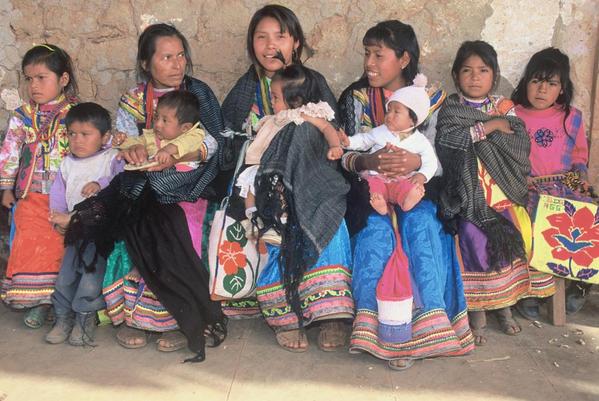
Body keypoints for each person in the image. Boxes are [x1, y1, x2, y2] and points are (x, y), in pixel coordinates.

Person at [338, 20, 473, 371]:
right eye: (366, 53)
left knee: (422, 226)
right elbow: (344, 155)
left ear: (403, 59)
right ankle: (379, 332)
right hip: (369, 190)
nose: (369, 62)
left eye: (378, 55)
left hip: (418, 189)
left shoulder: (433, 101)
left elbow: (441, 161)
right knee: (377, 234)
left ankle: (428, 328)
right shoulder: (356, 98)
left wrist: (416, 164)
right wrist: (368, 161)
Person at [221, 4, 352, 352]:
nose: (270, 45)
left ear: (295, 42)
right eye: (261, 37)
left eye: (280, 36)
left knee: (330, 212)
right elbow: (228, 142)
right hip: (263, 181)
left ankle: (330, 314)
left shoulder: (312, 82)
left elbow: (330, 130)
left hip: (312, 175)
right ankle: (284, 314)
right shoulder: (244, 90)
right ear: (251, 44)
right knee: (271, 224)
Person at [103, 23, 227, 354]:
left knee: (183, 226)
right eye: (167, 57)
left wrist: (180, 155)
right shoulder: (133, 99)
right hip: (142, 184)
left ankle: (178, 320)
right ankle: (136, 318)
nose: (177, 64)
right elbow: (125, 142)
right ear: (146, 63)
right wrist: (131, 150)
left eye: (181, 55)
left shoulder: (198, 94)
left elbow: (215, 141)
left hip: (189, 183)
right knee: (130, 226)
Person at [436, 40, 536, 346]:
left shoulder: (504, 106)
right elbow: (448, 142)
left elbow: (520, 143)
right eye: (467, 70)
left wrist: (481, 132)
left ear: (494, 75)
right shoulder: (452, 108)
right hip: (468, 194)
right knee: (473, 244)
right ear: (456, 75)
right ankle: (477, 312)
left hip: (502, 193)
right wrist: (490, 127)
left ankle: (505, 308)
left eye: (483, 70)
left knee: (507, 246)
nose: (475, 77)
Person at [512, 48, 596, 318]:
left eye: (551, 83)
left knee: (589, 214)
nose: (542, 89)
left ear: (561, 89)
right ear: (525, 83)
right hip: (529, 183)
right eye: (536, 81)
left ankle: (579, 285)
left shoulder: (571, 116)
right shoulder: (513, 114)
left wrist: (581, 181)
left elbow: (579, 158)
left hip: (565, 179)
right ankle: (531, 289)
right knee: (533, 219)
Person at [0, 44, 78, 329]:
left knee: (58, 245)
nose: (34, 85)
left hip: (64, 197)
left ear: (63, 79)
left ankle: (56, 301)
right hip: (30, 194)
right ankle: (38, 302)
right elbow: (9, 153)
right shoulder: (21, 116)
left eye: (42, 78)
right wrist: (7, 189)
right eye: (29, 78)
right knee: (28, 240)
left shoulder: (76, 114)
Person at [45, 102, 123, 345]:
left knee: (90, 277)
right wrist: (58, 217)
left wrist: (100, 184)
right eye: (72, 134)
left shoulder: (112, 157)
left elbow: (120, 180)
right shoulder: (67, 164)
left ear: (105, 137)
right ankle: (63, 317)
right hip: (74, 230)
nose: (77, 140)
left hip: (99, 232)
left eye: (85, 134)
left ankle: (84, 318)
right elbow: (58, 193)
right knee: (66, 276)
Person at [236, 64, 342, 226]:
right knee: (251, 186)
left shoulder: (302, 114)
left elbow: (326, 127)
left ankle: (282, 218)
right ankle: (253, 217)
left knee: (280, 192)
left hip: (284, 167)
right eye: (271, 97)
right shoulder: (276, 118)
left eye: (276, 98)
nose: (271, 102)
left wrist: (335, 146)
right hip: (262, 164)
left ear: (295, 100)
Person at [338, 74, 436, 214]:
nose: (389, 115)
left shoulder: (420, 141)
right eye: (388, 110)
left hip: (402, 179)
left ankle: (406, 201)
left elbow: (431, 161)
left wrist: (422, 176)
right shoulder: (380, 131)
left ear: (413, 120)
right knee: (372, 185)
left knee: (408, 186)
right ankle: (380, 203)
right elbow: (364, 140)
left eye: (396, 112)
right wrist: (348, 142)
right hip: (378, 177)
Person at [119, 90, 206, 171]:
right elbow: (135, 143)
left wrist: (167, 150)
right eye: (156, 117)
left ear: (185, 128)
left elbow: (185, 143)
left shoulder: (194, 134)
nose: (157, 124)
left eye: (165, 120)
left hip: (186, 177)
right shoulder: (150, 136)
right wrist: (123, 141)